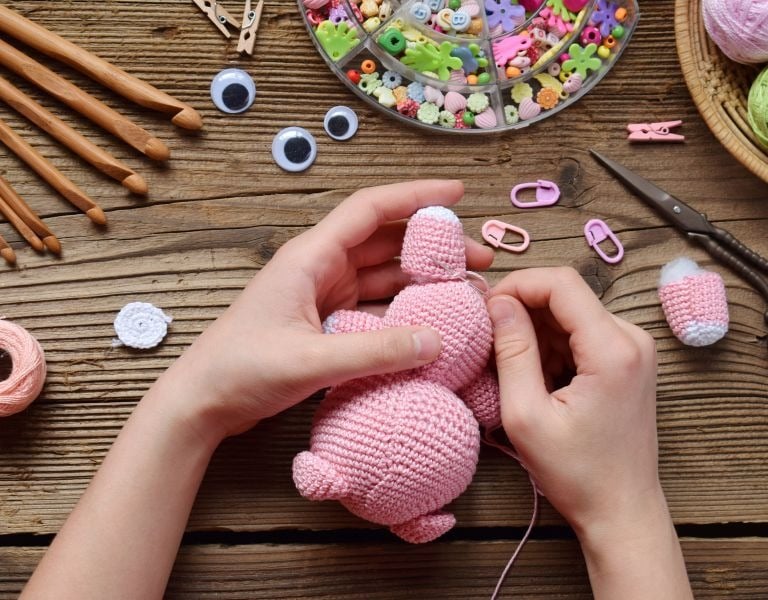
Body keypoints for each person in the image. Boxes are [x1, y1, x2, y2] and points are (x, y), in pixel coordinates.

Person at [20, 180, 693, 599]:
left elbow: (471, 394)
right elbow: (484, 401)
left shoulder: (412, 362)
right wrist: (625, 513)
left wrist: (192, 403)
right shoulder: (450, 372)